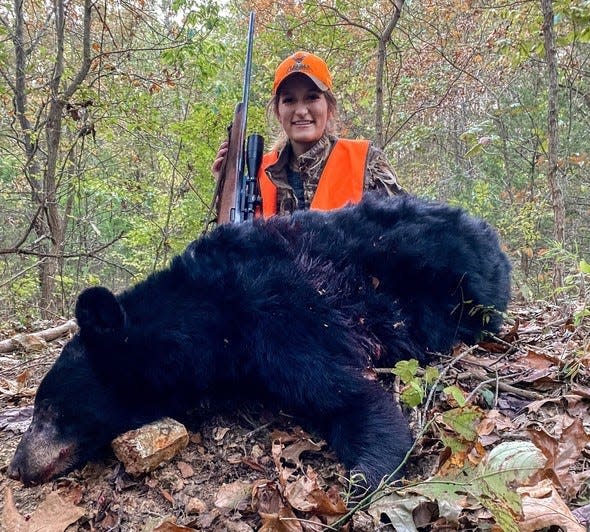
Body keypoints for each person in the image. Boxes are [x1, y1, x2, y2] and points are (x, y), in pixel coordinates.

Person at [212, 51, 404, 218]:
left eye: (312, 97)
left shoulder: (366, 162)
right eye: (289, 100)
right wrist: (225, 189)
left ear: (329, 107)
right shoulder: (258, 174)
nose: (301, 110)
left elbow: (406, 232)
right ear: (278, 112)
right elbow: (236, 246)